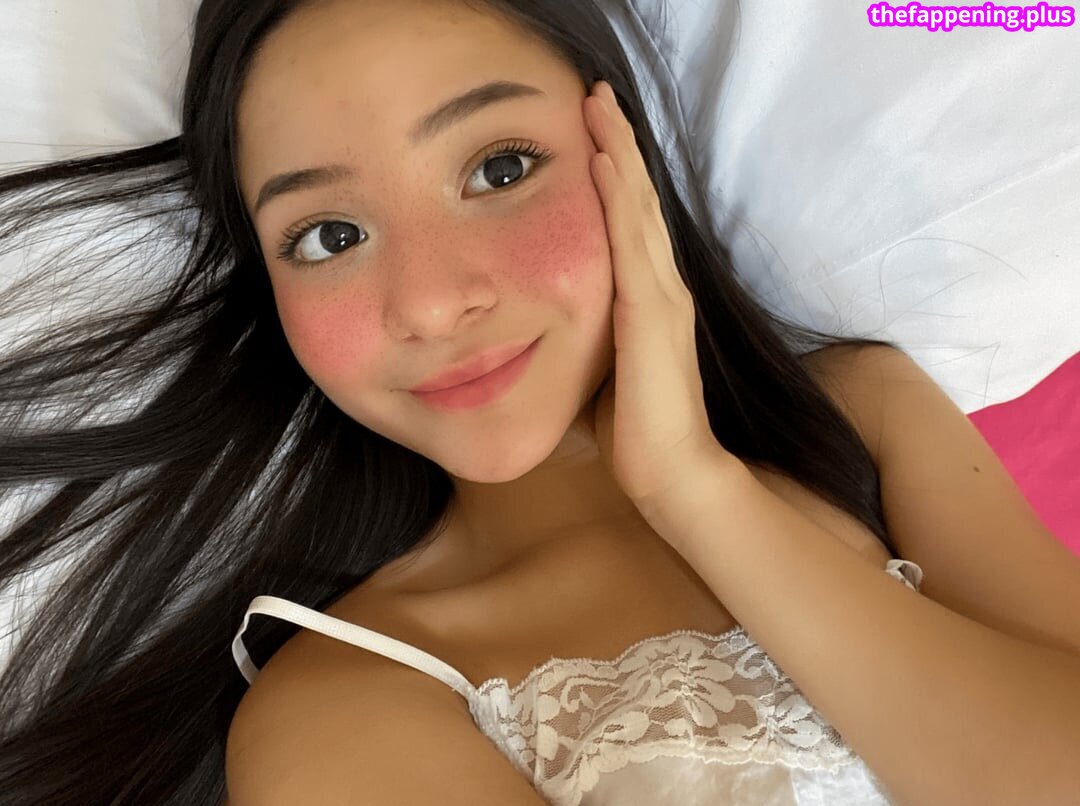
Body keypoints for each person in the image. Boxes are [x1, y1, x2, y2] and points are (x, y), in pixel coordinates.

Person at [2, 0, 1079, 804]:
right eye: (329, 236)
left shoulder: (865, 414)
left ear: (624, 155)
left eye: (501, 168)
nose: (430, 303)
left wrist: (696, 488)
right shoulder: (336, 706)